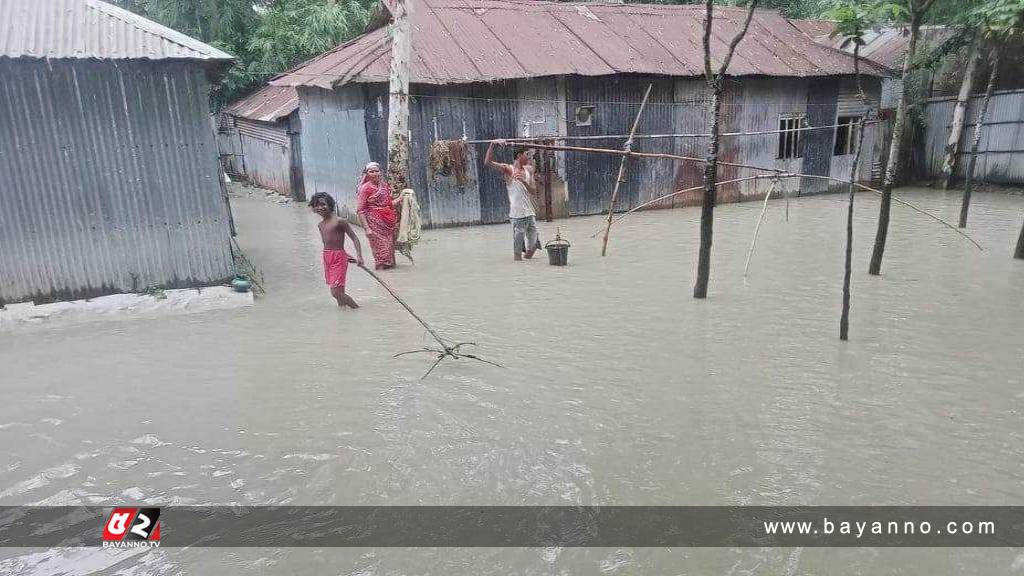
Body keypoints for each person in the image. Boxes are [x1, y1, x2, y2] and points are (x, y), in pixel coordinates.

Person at [485, 140, 542, 261]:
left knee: (533, 246)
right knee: (518, 253)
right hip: (517, 215)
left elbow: (533, 191)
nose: (528, 157)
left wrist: (524, 181)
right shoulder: (509, 169)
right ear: (519, 156)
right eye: (526, 154)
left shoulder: (529, 170)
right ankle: (520, 273)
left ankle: (528, 270)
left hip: (530, 213)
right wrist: (492, 144)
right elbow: (488, 162)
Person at [309, 192, 364, 308]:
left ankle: (356, 309)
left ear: (330, 205)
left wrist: (359, 256)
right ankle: (344, 316)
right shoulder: (320, 225)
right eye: (316, 205)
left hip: (338, 258)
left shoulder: (339, 221)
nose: (320, 208)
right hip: (327, 257)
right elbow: (328, 243)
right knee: (339, 291)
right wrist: (346, 254)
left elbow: (354, 238)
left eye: (323, 204)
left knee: (336, 293)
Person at [356, 162, 405, 270]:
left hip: (387, 224)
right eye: (371, 171)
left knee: (390, 251)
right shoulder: (365, 188)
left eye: (376, 171)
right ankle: (382, 275)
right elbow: (360, 210)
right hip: (374, 225)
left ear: (380, 172)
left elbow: (389, 204)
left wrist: (401, 198)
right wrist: (367, 229)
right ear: (367, 174)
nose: (374, 174)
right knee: (381, 253)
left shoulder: (384, 186)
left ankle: (393, 279)